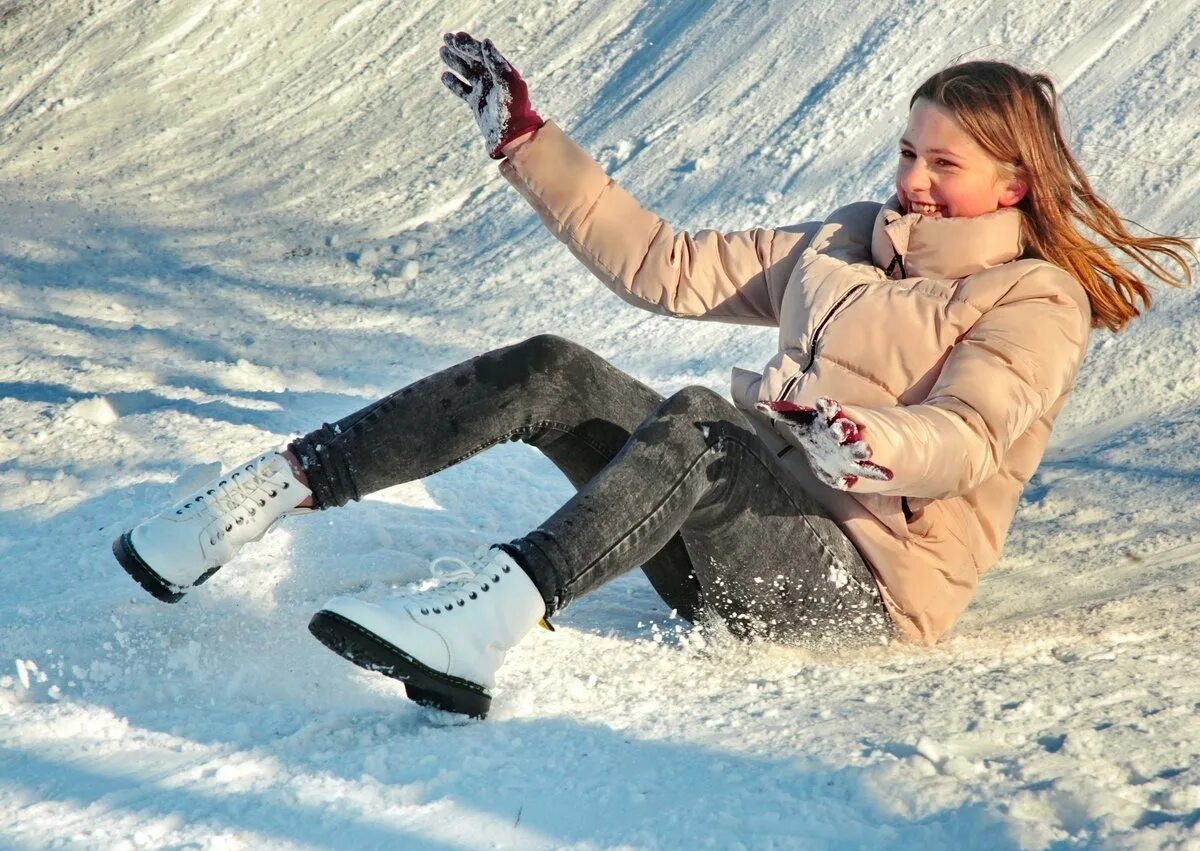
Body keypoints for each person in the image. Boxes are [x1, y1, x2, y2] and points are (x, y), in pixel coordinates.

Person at [112, 33, 1195, 718]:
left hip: (859, 586)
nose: (909, 181)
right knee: (556, 368)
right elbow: (666, 264)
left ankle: (481, 627)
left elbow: (970, 432)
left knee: (700, 422)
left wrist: (874, 444)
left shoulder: (1032, 302)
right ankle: (265, 491)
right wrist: (531, 144)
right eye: (906, 152)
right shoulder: (847, 237)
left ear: (1013, 181)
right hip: (732, 525)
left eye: (940, 164)